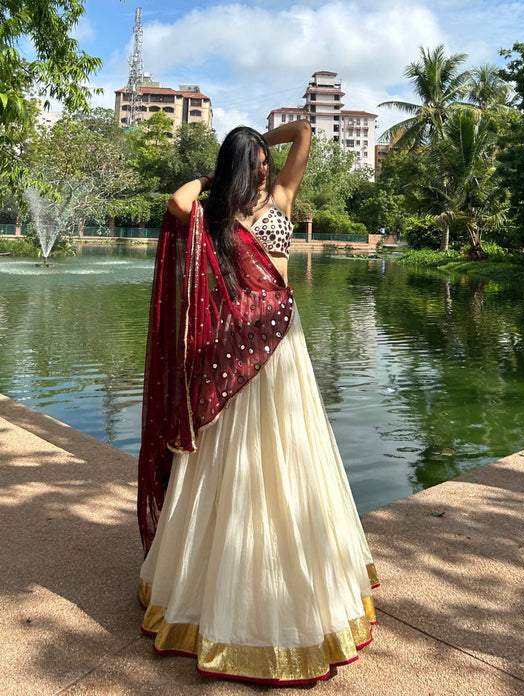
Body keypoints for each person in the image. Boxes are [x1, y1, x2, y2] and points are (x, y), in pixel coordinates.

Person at [137, 120, 379, 685]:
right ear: (235, 169)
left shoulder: (276, 200)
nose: (266, 170)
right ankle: (220, 587)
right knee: (234, 458)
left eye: (265, 164)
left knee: (287, 451)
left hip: (278, 344)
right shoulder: (219, 212)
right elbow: (176, 201)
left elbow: (306, 137)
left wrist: (265, 137)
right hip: (234, 348)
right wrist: (216, 175)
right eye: (256, 164)